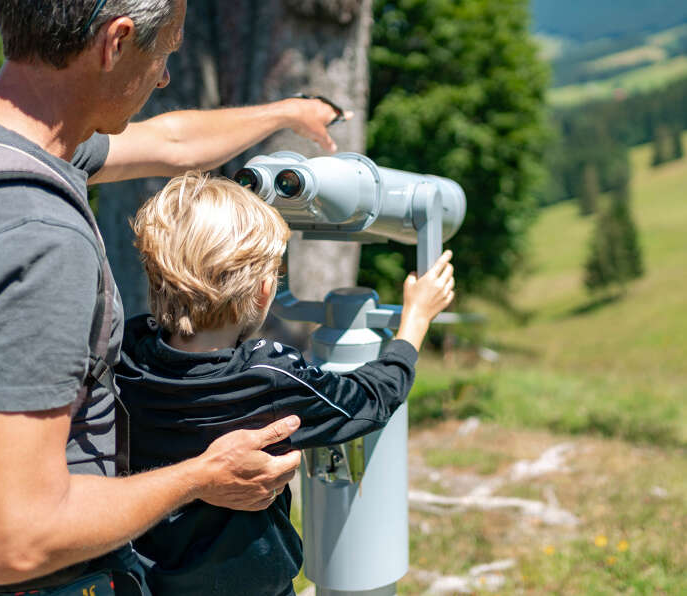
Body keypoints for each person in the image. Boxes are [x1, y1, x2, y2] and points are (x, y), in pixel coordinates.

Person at [0, 0, 349, 593]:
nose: (164, 76)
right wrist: (203, 476)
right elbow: (16, 541)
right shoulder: (32, 242)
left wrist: (286, 112)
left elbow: (170, 144)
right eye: (162, 52)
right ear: (115, 43)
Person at [117, 172, 455, 596]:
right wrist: (415, 321)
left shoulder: (129, 357)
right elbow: (371, 400)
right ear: (262, 291)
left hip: (153, 582)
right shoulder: (269, 377)